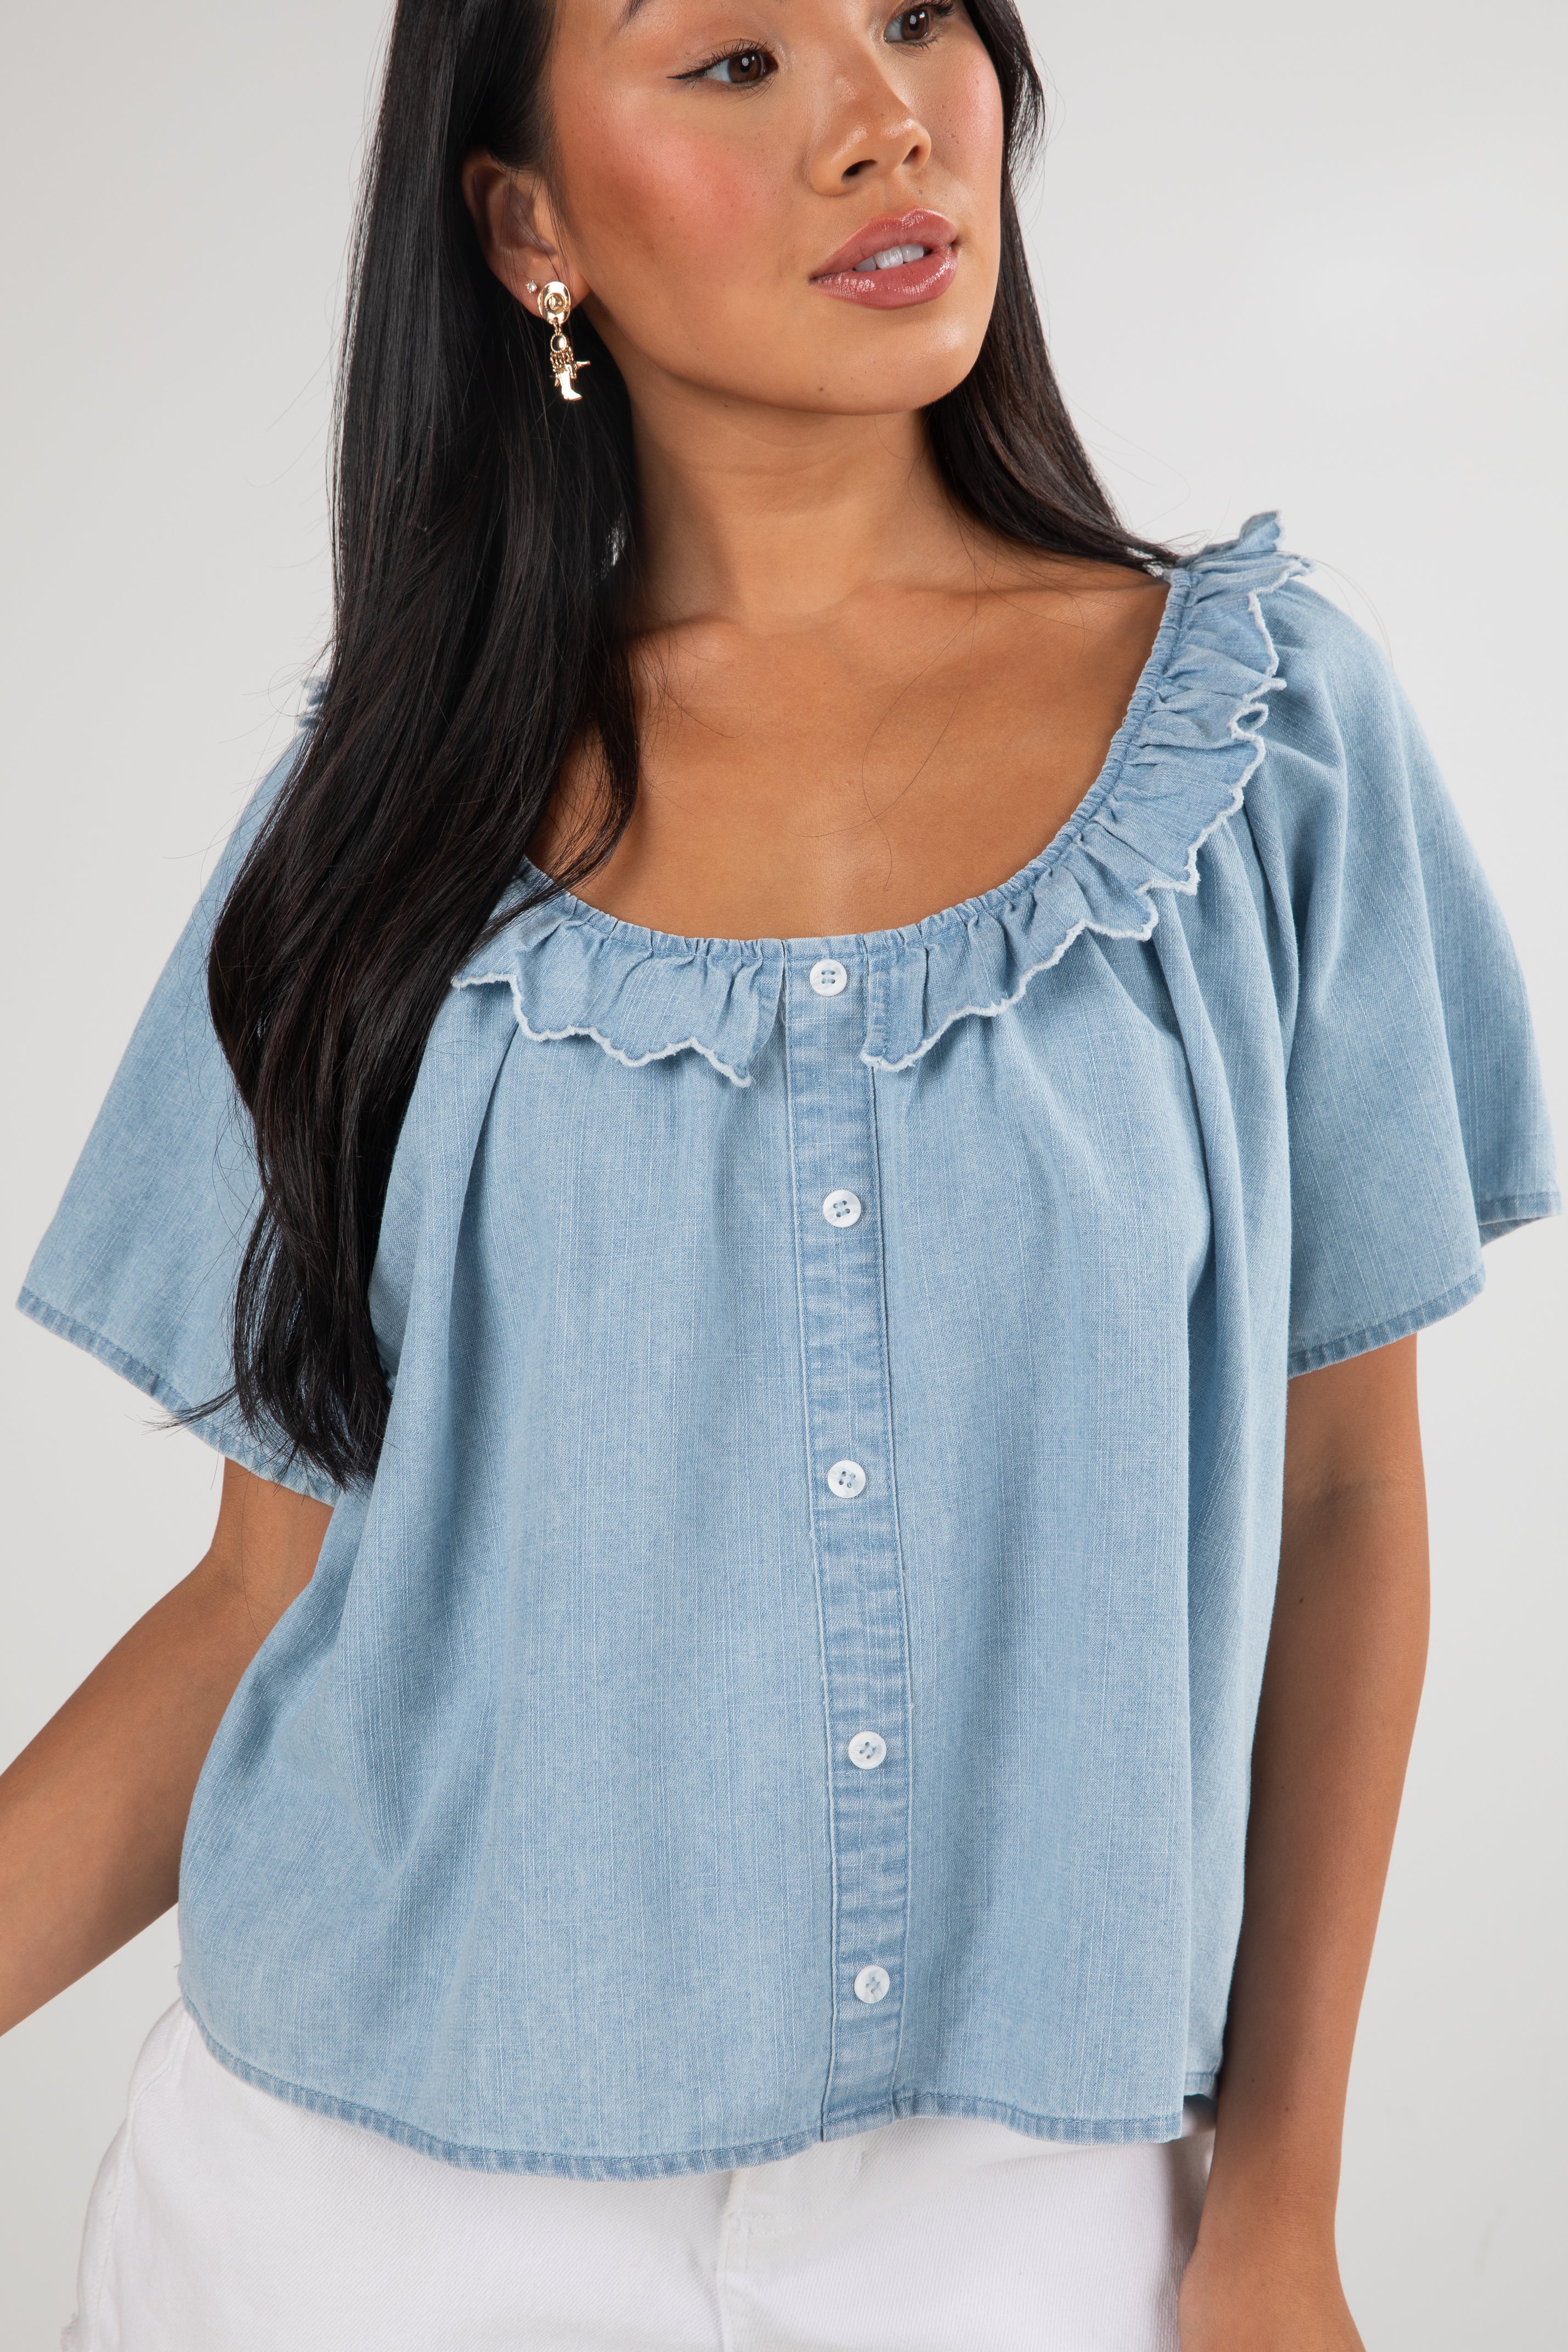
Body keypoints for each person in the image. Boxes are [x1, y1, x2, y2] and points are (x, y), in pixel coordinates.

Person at [2, 0, 1557, 2344]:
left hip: (1028, 2220)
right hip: (360, 2211)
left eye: (917, 15)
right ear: (527, 225)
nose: (880, 116)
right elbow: (257, 1603)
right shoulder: (382, 822)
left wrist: (1280, 2205)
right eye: (731, 58)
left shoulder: (1262, 745)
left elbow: (1343, 1503)